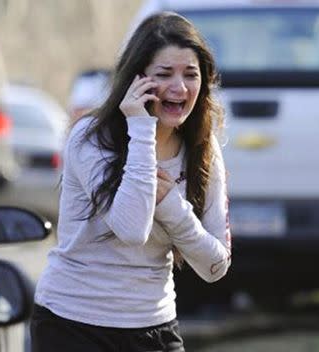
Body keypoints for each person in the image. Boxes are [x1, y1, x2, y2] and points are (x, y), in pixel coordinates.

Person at [31, 12, 232, 352]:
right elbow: (131, 228)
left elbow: (216, 266)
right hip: (72, 323)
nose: (179, 87)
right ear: (136, 81)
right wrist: (140, 128)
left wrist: (173, 208)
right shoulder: (90, 138)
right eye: (164, 74)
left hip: (154, 327)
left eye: (190, 75)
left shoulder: (203, 149)